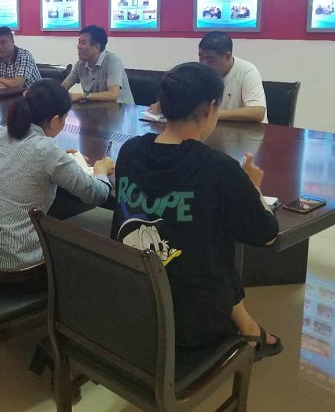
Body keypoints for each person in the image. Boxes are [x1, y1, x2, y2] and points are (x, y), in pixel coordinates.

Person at [111, 62, 282, 360]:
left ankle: (248, 326)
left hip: (132, 299)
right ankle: (245, 329)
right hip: (189, 324)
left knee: (202, 235)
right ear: (208, 109)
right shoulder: (219, 169)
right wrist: (253, 187)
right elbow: (268, 235)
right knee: (211, 243)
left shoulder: (129, 151)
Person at [0, 79, 114, 274]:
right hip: (18, 264)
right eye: (64, 119)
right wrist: (101, 170)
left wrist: (61, 158)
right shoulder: (46, 150)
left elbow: (25, 155)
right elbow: (97, 194)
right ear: (55, 120)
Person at [197, 31, 266, 122]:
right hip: (217, 128)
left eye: (211, 60)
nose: (204, 64)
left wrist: (214, 114)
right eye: (201, 58)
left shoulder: (248, 71)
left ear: (228, 56)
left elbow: (257, 112)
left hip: (248, 130)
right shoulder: (200, 73)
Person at [61, 25, 134, 104]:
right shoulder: (81, 64)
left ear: (96, 47)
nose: (78, 47)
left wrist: (82, 96)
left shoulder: (112, 61)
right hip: (97, 108)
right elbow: (62, 88)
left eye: (83, 43)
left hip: (121, 108)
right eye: (79, 42)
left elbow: (113, 95)